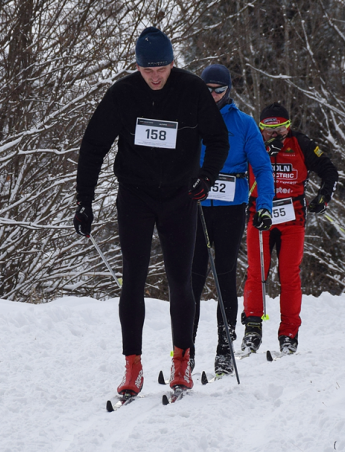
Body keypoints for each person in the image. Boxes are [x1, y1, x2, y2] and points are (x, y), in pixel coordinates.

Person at [73, 27, 229, 396]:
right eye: (148, 70)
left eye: (162, 68)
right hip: (136, 197)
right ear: (137, 67)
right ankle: (133, 367)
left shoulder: (191, 90)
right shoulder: (123, 94)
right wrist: (84, 200)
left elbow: (218, 139)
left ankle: (181, 362)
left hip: (179, 197)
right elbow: (93, 146)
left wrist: (206, 178)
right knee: (133, 281)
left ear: (174, 62)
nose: (156, 76)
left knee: (181, 281)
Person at [190, 64, 275, 376]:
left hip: (229, 207)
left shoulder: (243, 124)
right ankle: (185, 351)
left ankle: (225, 348)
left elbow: (263, 168)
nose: (212, 96)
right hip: (196, 206)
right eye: (207, 89)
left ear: (228, 91)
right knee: (192, 277)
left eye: (219, 90)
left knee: (224, 273)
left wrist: (263, 205)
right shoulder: (190, 117)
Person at [242, 102, 339, 355]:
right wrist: (263, 149)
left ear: (289, 127)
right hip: (259, 214)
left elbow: (330, 171)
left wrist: (323, 197)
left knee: (289, 275)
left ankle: (289, 334)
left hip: (291, 218)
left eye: (281, 130)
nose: (274, 136)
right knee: (256, 272)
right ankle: (252, 330)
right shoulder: (252, 141)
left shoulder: (301, 144)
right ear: (260, 128)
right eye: (268, 130)